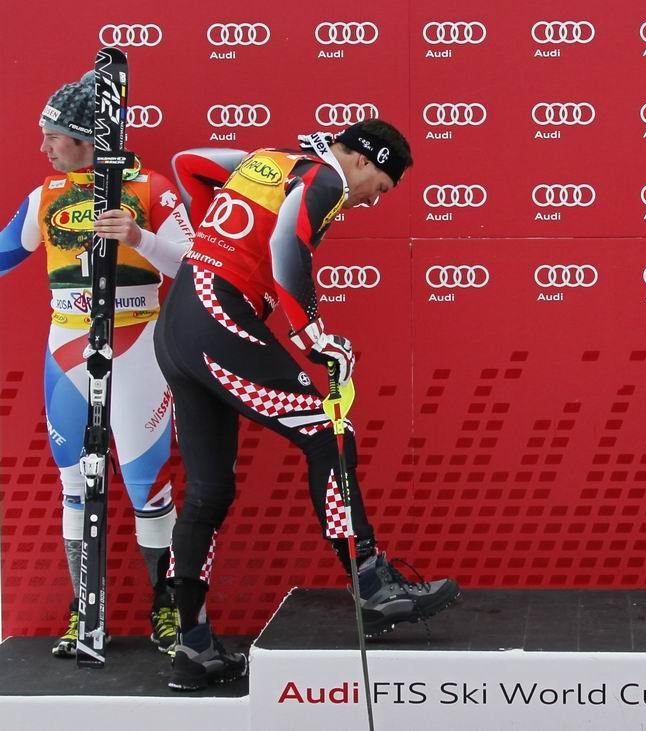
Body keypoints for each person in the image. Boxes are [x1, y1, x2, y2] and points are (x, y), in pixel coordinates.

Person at [158, 121, 460, 691]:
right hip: (216, 318)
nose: (372, 201)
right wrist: (314, 336)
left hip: (179, 326)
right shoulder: (325, 177)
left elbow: (189, 163)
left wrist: (211, 240)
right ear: (364, 160)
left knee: (208, 493)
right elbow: (284, 248)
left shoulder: (272, 160)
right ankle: (372, 584)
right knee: (328, 434)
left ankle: (192, 648)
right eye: (381, 187)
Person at [0, 70, 194, 656]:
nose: (43, 147)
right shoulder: (47, 195)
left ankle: (167, 607)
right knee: (73, 483)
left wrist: (138, 237)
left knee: (145, 485)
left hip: (137, 348)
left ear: (87, 138)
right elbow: (4, 253)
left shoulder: (151, 187)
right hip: (67, 351)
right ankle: (85, 612)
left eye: (52, 136)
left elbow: (195, 269)